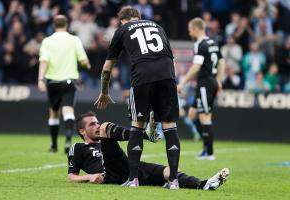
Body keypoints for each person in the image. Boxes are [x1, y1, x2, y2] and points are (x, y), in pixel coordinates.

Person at [94, 6, 180, 189]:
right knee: (170, 127)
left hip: (142, 77)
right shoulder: (157, 26)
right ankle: (174, 180)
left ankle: (133, 180)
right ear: (139, 17)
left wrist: (104, 92)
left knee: (137, 126)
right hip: (167, 76)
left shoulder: (122, 30)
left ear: (122, 20)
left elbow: (107, 68)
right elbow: (172, 59)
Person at [67, 111, 230, 191]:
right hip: (111, 174)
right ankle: (146, 134)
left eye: (96, 123)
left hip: (129, 167)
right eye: (91, 124)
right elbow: (71, 176)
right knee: (106, 128)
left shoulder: (103, 142)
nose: (96, 126)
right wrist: (89, 177)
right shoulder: (79, 148)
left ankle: (205, 185)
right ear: (82, 131)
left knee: (169, 171)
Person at [38, 15, 91, 153]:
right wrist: (87, 64)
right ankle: (68, 140)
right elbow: (83, 60)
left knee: (53, 113)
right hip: (68, 81)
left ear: (54, 25)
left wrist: (40, 80)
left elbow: (44, 61)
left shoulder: (47, 41)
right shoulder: (74, 40)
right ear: (66, 24)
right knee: (68, 112)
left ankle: (54, 145)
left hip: (52, 82)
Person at [177, 18, 225, 160]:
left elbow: (196, 67)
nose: (189, 31)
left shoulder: (200, 44)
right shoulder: (212, 42)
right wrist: (219, 80)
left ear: (197, 28)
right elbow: (221, 61)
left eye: (190, 29)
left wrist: (182, 83)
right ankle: (205, 147)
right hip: (209, 82)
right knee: (192, 114)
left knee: (205, 116)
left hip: (205, 83)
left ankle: (209, 153)